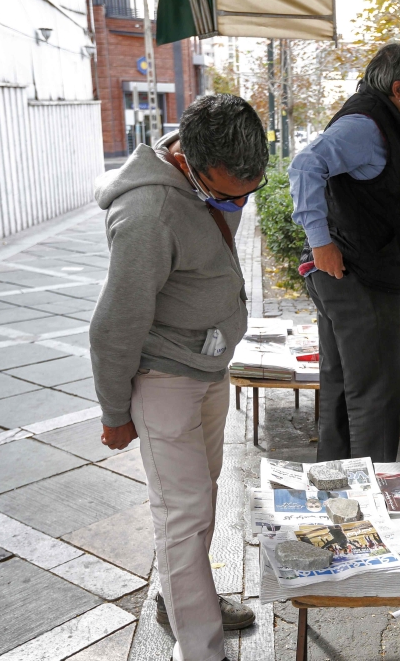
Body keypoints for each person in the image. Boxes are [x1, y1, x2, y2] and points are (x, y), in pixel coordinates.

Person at [90, 94, 269, 661]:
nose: (237, 202)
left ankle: (188, 598)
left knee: (201, 500)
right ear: (189, 160)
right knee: (184, 516)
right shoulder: (148, 214)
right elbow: (114, 326)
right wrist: (115, 413)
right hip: (164, 377)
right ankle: (200, 648)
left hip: (208, 367)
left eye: (249, 191)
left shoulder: (210, 176)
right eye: (226, 193)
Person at [288, 43, 400, 463]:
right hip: (355, 274)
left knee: (345, 384)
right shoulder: (365, 124)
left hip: (349, 271)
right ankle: (372, 498)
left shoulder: (379, 122)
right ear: (399, 89)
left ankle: (337, 484)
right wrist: (321, 242)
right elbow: (306, 166)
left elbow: (366, 189)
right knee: (376, 393)